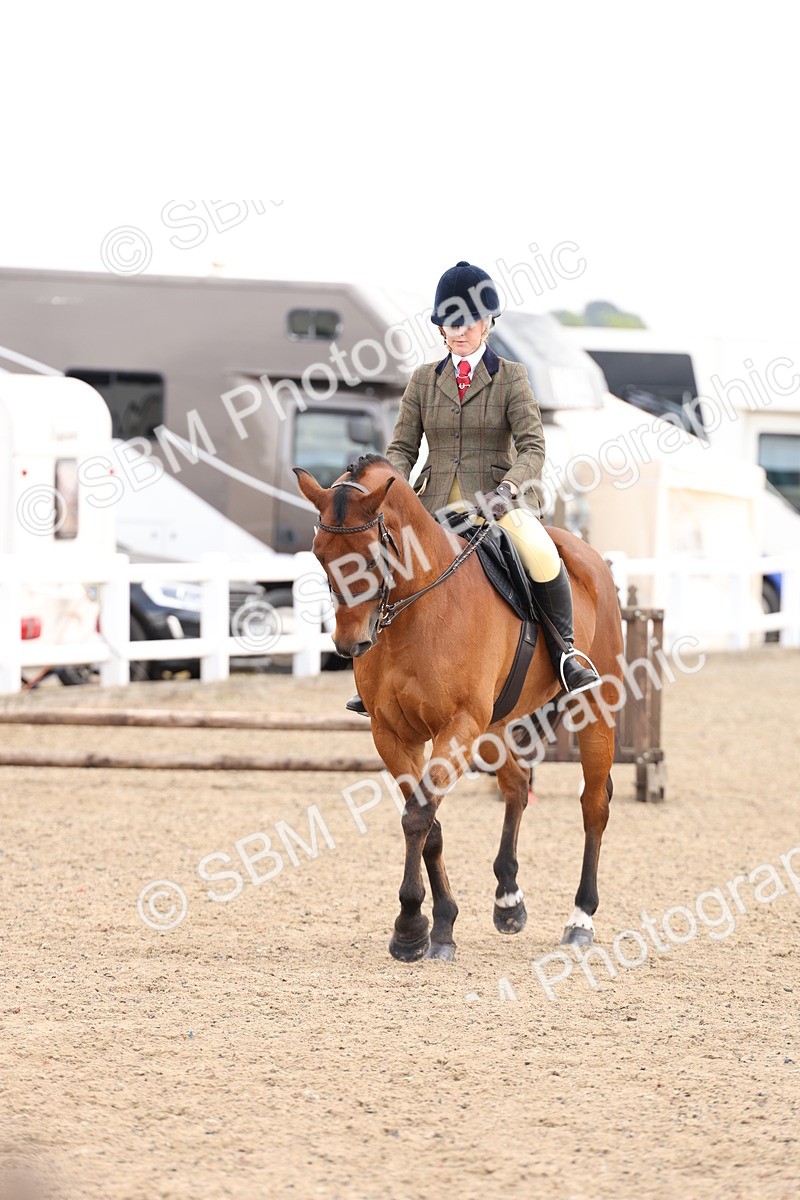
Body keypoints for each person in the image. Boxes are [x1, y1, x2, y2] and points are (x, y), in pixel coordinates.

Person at [345, 260, 601, 714]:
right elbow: (402, 448)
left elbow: (532, 445)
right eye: (451, 322)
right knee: (383, 561)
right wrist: (388, 491)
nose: (459, 331)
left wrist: (509, 487)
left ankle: (565, 653)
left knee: (541, 554)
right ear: (440, 327)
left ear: (486, 323)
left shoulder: (512, 376)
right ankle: (376, 669)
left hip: (498, 501)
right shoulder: (424, 380)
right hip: (433, 502)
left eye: (467, 322)